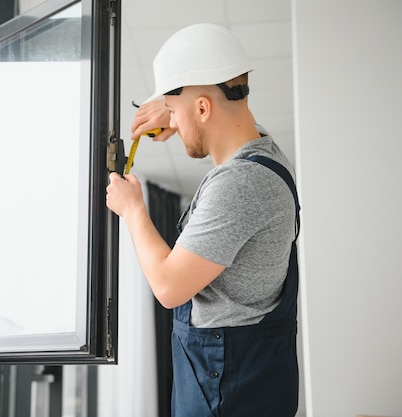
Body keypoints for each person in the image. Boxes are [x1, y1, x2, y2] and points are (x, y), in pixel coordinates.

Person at [106, 23, 300, 416]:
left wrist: (133, 210)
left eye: (176, 113)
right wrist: (174, 103)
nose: (172, 124)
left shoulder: (239, 185)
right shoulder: (265, 153)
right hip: (239, 379)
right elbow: (214, 99)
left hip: (225, 392)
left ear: (202, 108)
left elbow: (168, 287)